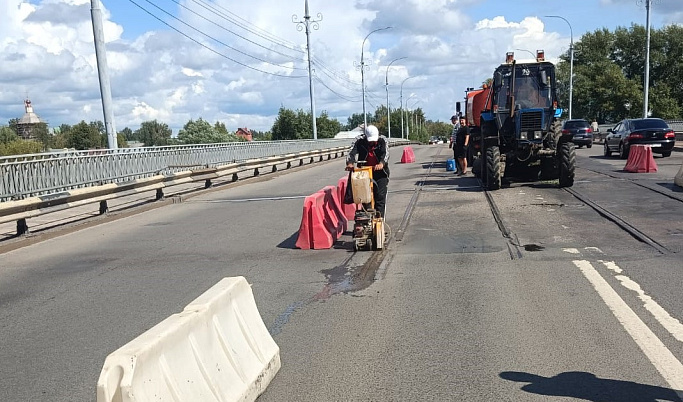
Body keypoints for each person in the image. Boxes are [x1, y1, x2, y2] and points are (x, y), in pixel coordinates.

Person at [346, 125, 390, 217]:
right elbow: (351, 152)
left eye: (374, 140)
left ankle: (379, 218)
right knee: (364, 196)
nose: (372, 142)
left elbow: (385, 153)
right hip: (364, 173)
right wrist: (350, 163)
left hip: (380, 173)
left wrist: (382, 163)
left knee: (380, 196)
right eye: (370, 141)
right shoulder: (359, 140)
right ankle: (366, 218)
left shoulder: (382, 140)